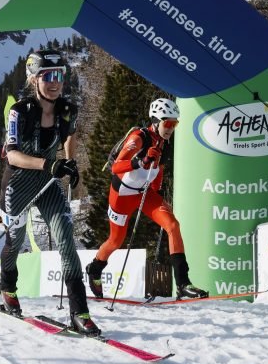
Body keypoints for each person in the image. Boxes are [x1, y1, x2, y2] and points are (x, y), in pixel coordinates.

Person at [0, 48, 99, 336]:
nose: (55, 83)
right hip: (18, 184)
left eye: (60, 76)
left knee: (66, 239)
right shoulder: (19, 111)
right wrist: (49, 164)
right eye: (48, 77)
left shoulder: (67, 110)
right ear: (34, 79)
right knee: (15, 243)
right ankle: (7, 287)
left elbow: (70, 135)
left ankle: (79, 312)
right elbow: (12, 155)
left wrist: (70, 161)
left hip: (47, 184)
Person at [85, 98, 209, 300]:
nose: (171, 128)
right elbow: (116, 167)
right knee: (116, 240)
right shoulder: (138, 138)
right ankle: (95, 269)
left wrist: (156, 192)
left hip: (144, 193)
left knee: (173, 226)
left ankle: (183, 283)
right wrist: (140, 162)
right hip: (122, 195)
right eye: (168, 123)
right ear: (156, 121)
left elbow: (159, 168)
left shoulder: (165, 143)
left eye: (175, 124)